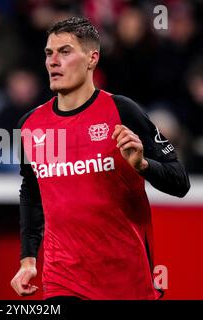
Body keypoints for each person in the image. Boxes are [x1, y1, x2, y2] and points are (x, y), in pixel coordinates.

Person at [10, 17, 190, 300]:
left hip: (126, 279)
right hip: (63, 279)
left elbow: (180, 182)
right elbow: (31, 192)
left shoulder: (122, 112)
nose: (53, 61)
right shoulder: (31, 126)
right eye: (48, 53)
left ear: (92, 58)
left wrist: (143, 166)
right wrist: (28, 259)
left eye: (65, 52)